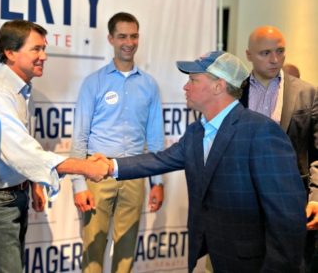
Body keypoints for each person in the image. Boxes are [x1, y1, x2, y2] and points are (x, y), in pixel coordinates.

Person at [106, 51, 307, 272]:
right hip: (214, 258)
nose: (186, 87)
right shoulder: (196, 132)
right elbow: (159, 160)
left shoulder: (262, 132)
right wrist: (108, 166)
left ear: (218, 86)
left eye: (193, 80)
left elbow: (287, 219)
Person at [0, 19, 109, 273]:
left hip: (9, 196)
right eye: (36, 49)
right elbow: (21, 150)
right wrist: (83, 167)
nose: (44, 56)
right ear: (10, 53)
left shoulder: (19, 89)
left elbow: (18, 151)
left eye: (44, 49)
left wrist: (33, 182)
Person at [70, 12, 165, 273]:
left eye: (133, 36)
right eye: (122, 36)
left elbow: (155, 137)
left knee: (126, 253)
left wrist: (157, 182)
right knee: (93, 248)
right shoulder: (94, 83)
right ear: (111, 38)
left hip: (134, 174)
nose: (129, 42)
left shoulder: (149, 85)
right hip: (97, 175)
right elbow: (79, 136)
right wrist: (78, 184)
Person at [242, 26, 318, 271]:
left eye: (280, 51)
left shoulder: (307, 93)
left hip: (294, 203)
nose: (275, 59)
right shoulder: (234, 93)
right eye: (265, 53)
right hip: (245, 202)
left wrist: (316, 198)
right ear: (249, 55)